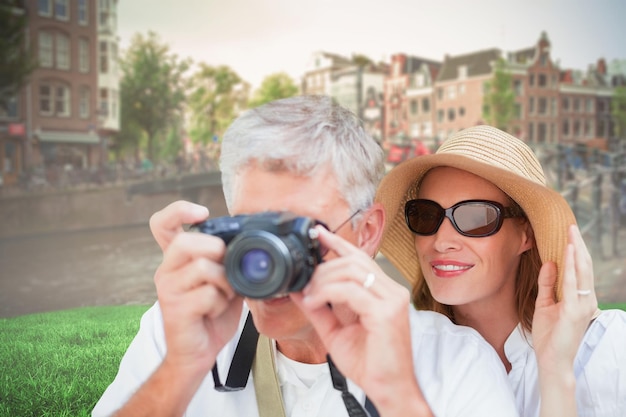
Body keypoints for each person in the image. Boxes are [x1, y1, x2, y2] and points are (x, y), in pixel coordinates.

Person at [92, 96, 519, 417]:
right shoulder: (176, 329)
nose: (271, 263)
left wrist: (398, 396)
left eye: (302, 234)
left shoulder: (454, 361)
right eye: (253, 232)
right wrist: (181, 369)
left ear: (367, 232)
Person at [376, 124, 626, 417]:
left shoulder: (606, 348)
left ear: (526, 235)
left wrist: (556, 372)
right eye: (426, 215)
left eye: (475, 217)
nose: (441, 242)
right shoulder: (402, 359)